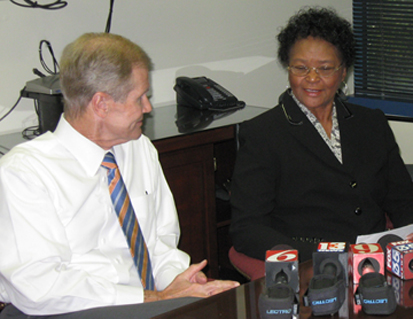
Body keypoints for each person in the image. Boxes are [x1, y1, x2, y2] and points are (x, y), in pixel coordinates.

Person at [0, 33, 238, 319]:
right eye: (140, 98)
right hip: (66, 310)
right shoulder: (26, 173)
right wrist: (154, 298)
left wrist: (180, 281)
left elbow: (160, 244)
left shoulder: (139, 149)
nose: (148, 108)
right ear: (101, 104)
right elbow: (39, 286)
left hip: (148, 303)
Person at [230, 7, 413, 263]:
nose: (312, 79)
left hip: (378, 260)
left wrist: (406, 242)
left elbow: (403, 201)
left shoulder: (371, 123)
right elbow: (247, 229)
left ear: (343, 72)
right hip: (313, 267)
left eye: (325, 68)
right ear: (288, 68)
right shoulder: (263, 133)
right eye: (301, 68)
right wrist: (319, 257)